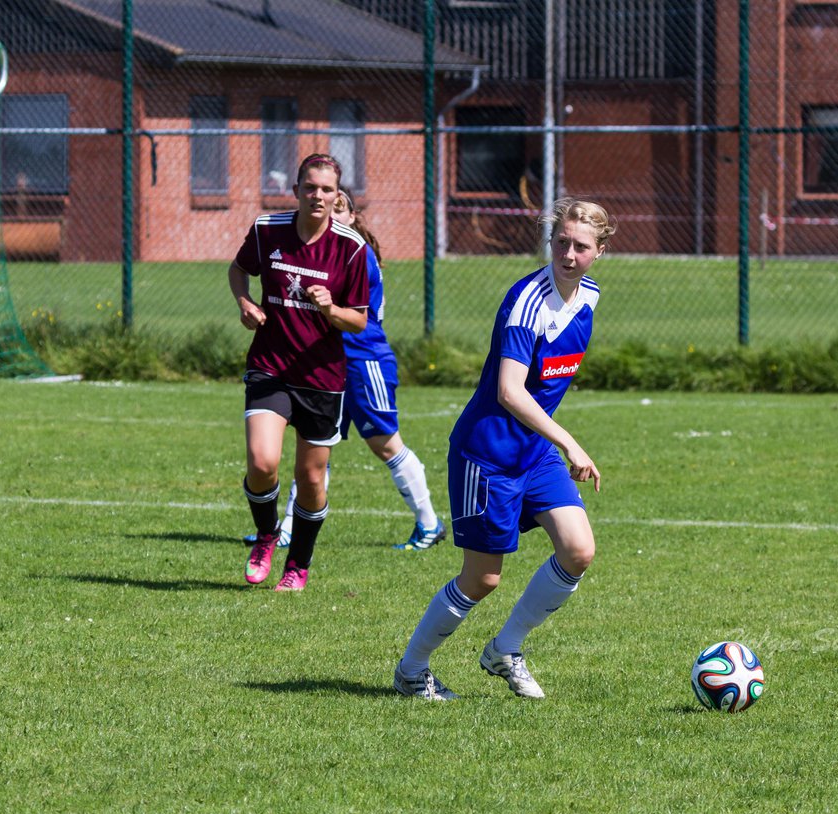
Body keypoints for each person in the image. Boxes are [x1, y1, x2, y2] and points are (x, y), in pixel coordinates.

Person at [393, 198, 616, 700]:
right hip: (487, 455)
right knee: (483, 578)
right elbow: (509, 392)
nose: (568, 253)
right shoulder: (526, 303)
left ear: (600, 251)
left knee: (579, 550)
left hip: (532, 453)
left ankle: (505, 649)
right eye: (561, 242)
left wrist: (550, 439)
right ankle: (412, 670)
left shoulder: (590, 297)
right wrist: (569, 442)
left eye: (581, 246)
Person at [247, 188, 445, 552]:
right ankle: (288, 529)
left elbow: (348, 315)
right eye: (329, 210)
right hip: (327, 365)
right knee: (315, 447)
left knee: (386, 445)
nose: (333, 216)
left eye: (341, 211)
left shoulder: (354, 252)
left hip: (363, 360)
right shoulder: (320, 250)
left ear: (353, 218)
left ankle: (430, 524)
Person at [230, 153, 369, 592]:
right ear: (296, 190)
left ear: (338, 195)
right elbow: (238, 271)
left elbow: (360, 320)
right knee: (262, 461)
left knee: (310, 479)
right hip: (270, 366)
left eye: (327, 189)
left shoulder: (351, 247)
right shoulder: (267, 230)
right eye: (310, 187)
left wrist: (331, 309)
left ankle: (299, 564)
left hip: (322, 377)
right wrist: (246, 303)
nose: (318, 196)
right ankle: (267, 534)